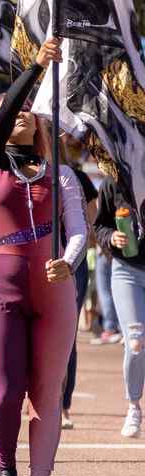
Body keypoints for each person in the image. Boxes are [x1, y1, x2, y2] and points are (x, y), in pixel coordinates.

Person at [0, 39, 77, 476]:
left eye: (31, 112)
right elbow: (7, 110)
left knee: (47, 391)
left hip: (54, 290)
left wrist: (68, 261)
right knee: (7, 388)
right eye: (14, 112)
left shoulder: (62, 174)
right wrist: (34, 68)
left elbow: (77, 231)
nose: (23, 115)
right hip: (1, 288)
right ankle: (5, 468)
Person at [94, 173, 145, 440]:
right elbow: (98, 225)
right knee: (135, 341)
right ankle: (133, 408)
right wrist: (112, 236)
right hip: (126, 270)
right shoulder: (112, 182)